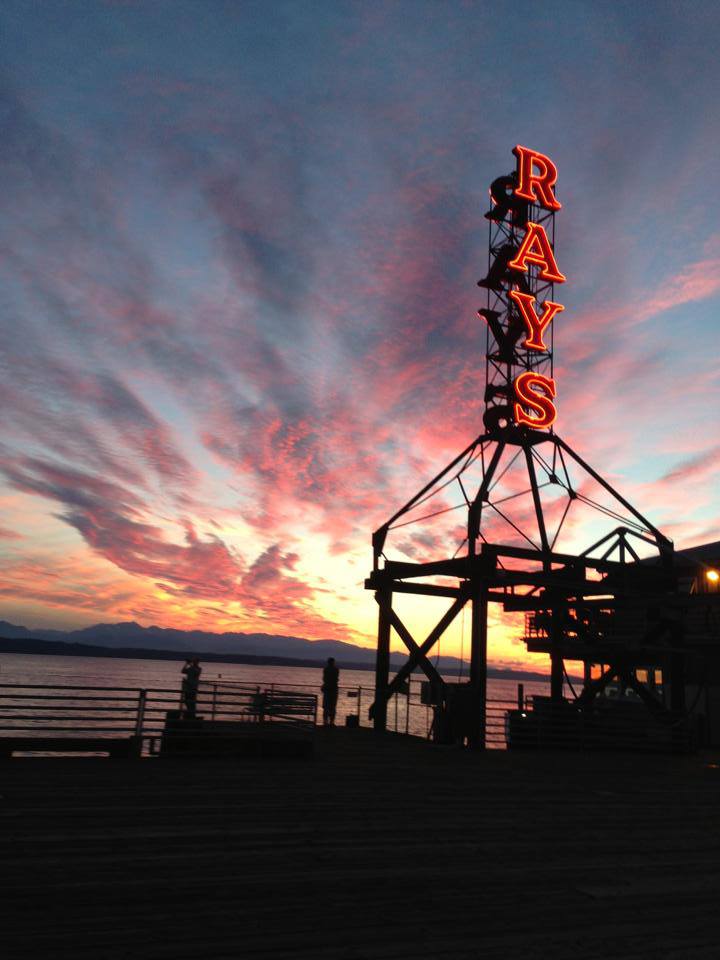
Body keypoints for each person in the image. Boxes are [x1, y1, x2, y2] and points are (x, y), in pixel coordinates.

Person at [322, 657, 339, 726]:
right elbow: (336, 679)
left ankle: (326, 722)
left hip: (327, 690)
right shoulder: (336, 670)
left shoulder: (326, 669)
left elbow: (324, 679)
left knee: (326, 707)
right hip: (333, 690)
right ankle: (331, 722)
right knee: (333, 707)